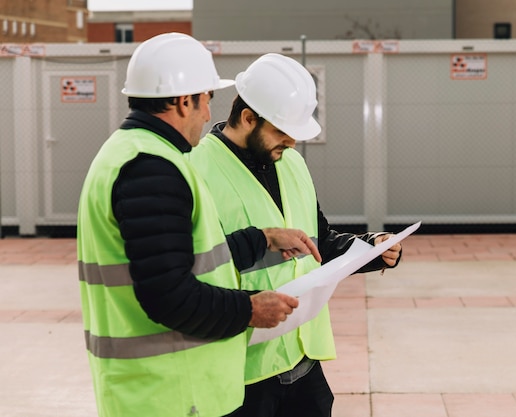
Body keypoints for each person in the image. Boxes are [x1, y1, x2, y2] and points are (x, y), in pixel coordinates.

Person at [76, 34, 321, 417]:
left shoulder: (131, 154)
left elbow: (187, 259)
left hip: (158, 385)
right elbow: (168, 294)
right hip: (167, 389)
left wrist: (260, 239)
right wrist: (249, 309)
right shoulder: (151, 169)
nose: (209, 115)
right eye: (205, 99)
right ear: (181, 100)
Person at [188, 53, 402, 417]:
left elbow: (316, 242)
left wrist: (370, 248)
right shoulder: (195, 170)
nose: (291, 143)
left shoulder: (291, 162)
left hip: (304, 362)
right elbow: (193, 268)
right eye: (282, 132)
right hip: (243, 373)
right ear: (248, 118)